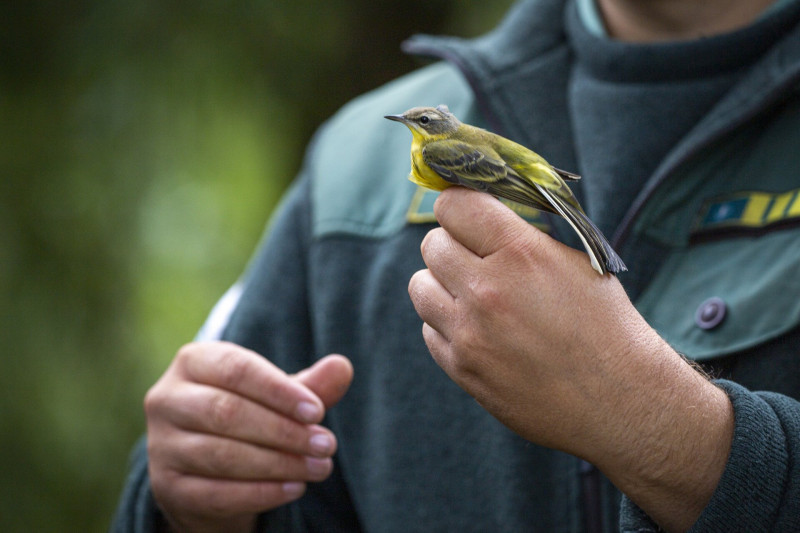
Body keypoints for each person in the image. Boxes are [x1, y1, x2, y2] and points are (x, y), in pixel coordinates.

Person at [112, 0, 800, 531]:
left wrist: (670, 430)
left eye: (420, 123)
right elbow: (235, 461)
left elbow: (514, 176)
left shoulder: (435, 158)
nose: (409, 129)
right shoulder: (348, 172)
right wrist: (192, 500)